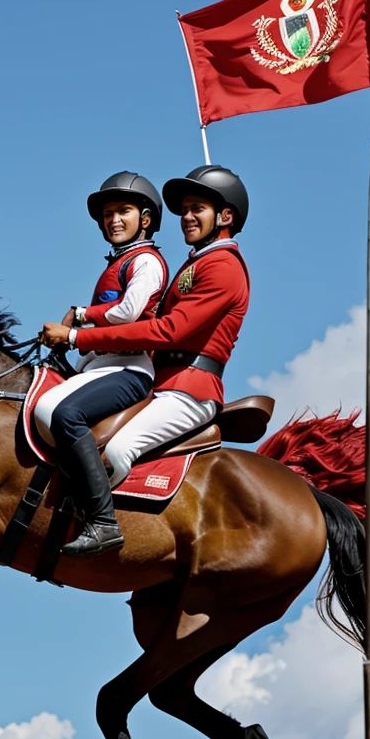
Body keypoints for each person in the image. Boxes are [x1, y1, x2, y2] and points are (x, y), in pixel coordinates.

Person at [41, 164, 250, 487]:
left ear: (226, 216)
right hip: (161, 385)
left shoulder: (224, 266)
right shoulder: (196, 262)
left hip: (190, 390)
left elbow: (168, 331)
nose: (187, 217)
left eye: (198, 209)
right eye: (184, 210)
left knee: (118, 451)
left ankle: (103, 524)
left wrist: (76, 336)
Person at [36, 172, 168, 557]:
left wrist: (79, 316)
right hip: (99, 366)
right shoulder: (122, 261)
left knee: (64, 414)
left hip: (130, 370)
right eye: (108, 213)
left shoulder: (146, 260)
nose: (113, 220)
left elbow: (128, 313)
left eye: (123, 211)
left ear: (145, 219)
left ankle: (103, 520)